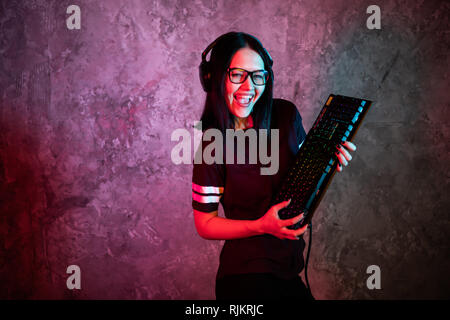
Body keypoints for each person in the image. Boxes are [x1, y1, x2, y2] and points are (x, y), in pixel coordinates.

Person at [192, 32, 356, 300]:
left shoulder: (286, 115)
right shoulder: (212, 144)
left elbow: (302, 182)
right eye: (237, 75)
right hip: (244, 280)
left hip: (289, 271)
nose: (249, 88)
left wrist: (328, 162)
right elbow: (205, 223)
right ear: (215, 78)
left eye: (258, 76)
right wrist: (260, 226)